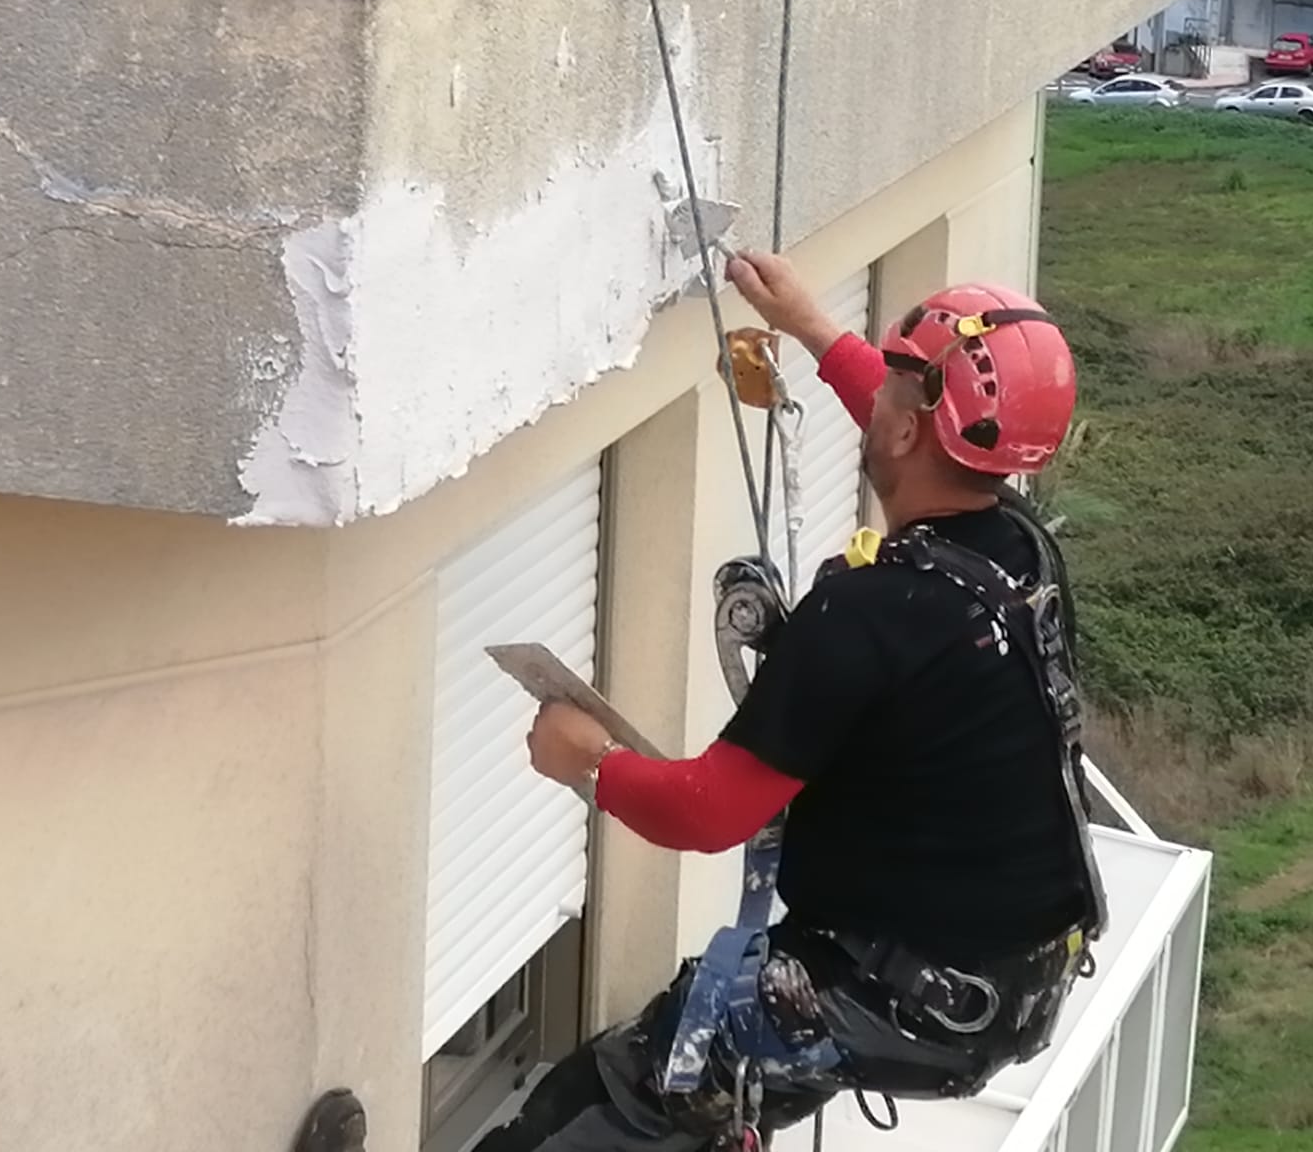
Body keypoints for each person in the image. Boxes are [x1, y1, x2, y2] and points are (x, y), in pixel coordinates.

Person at [472, 252, 1107, 1152]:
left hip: (899, 996)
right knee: (725, 1073)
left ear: (912, 430)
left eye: (892, 383)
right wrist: (813, 327)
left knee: (615, 1093)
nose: (876, 397)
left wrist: (584, 759)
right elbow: (908, 435)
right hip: (1005, 982)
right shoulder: (1016, 549)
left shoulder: (868, 614)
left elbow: (706, 811)